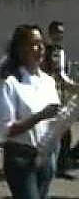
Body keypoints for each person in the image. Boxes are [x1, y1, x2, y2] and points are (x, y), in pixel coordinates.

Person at [0, 25, 61, 199]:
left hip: (46, 154)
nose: (40, 49)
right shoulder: (10, 83)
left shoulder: (47, 81)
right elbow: (6, 129)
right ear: (21, 49)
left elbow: (55, 118)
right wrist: (39, 116)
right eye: (34, 44)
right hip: (20, 157)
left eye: (42, 44)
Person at [43, 21, 76, 180]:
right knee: (55, 132)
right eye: (57, 32)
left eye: (61, 32)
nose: (60, 36)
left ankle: (60, 165)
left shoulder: (60, 51)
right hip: (48, 95)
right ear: (51, 33)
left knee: (64, 133)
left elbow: (62, 75)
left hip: (59, 95)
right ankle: (52, 165)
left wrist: (72, 86)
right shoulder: (45, 51)